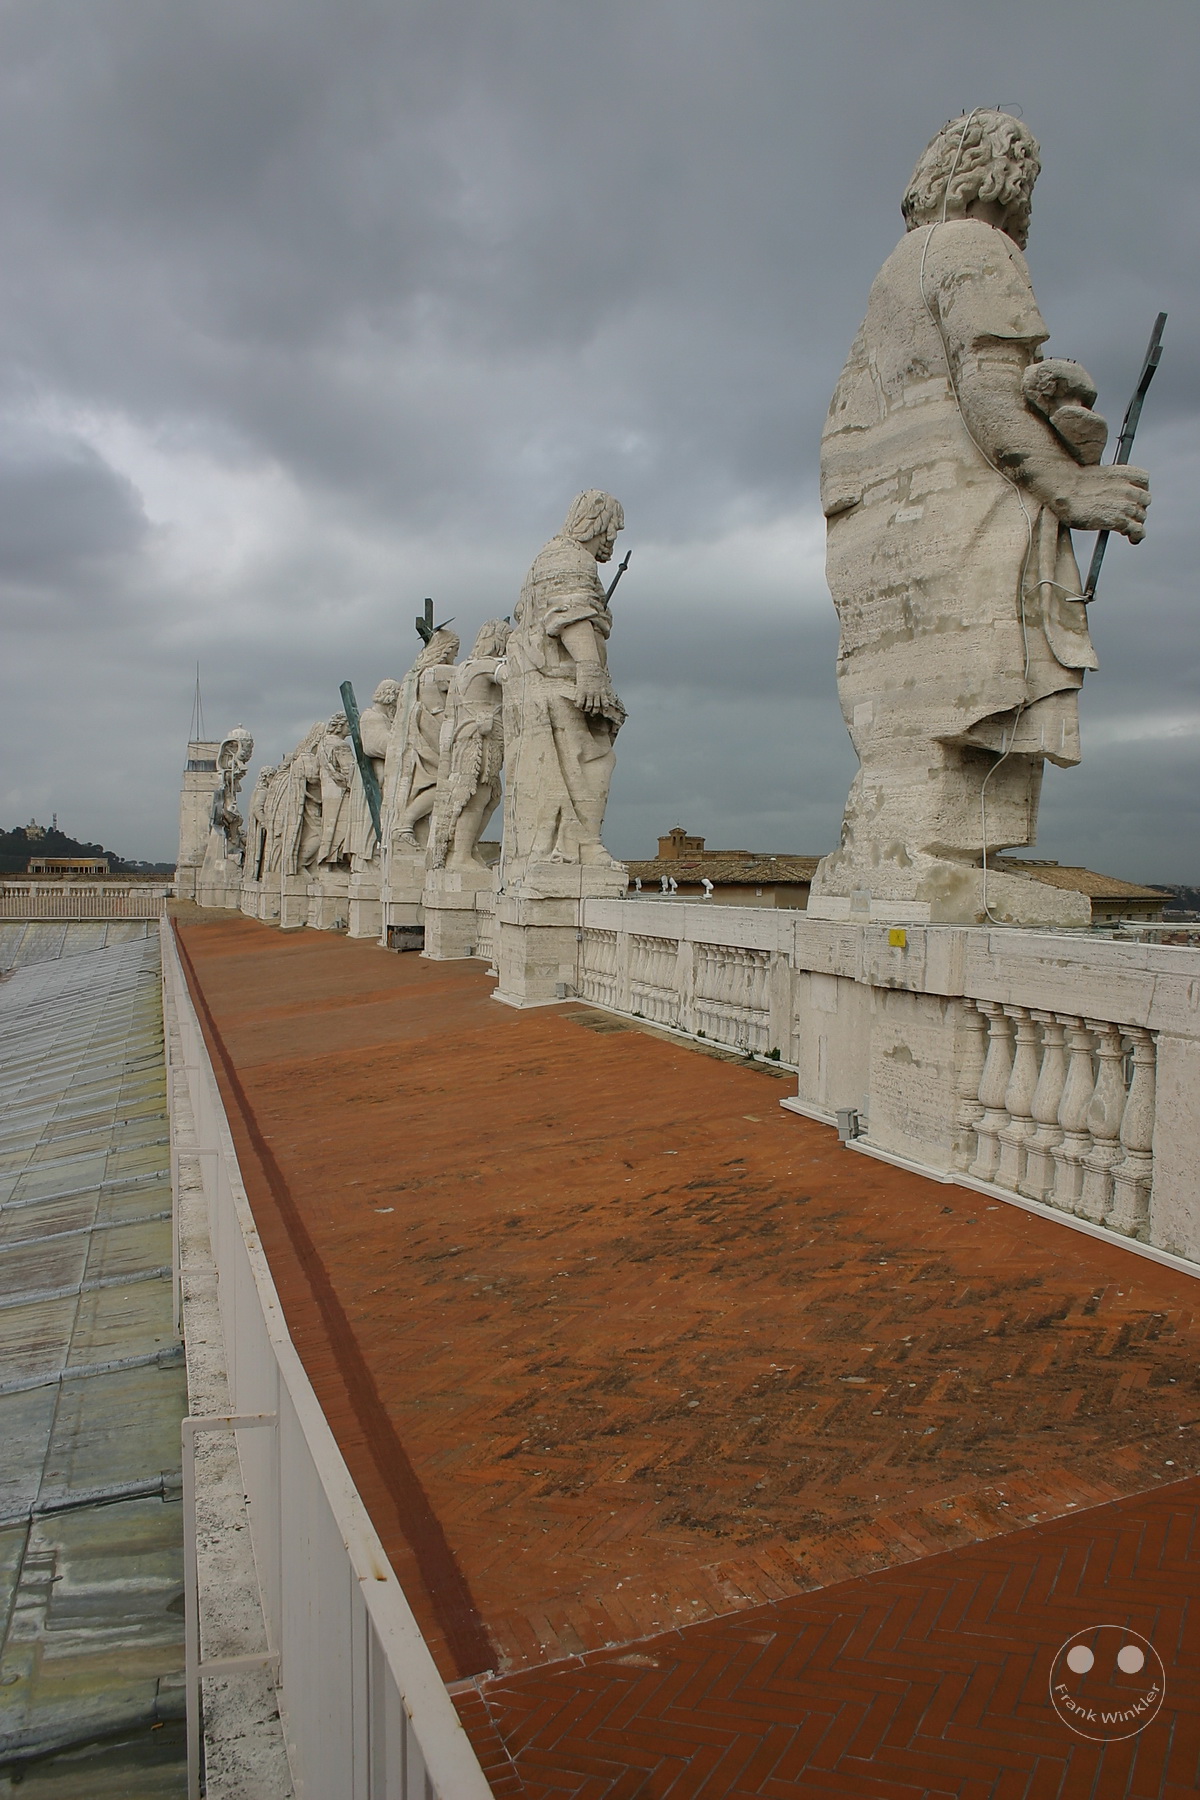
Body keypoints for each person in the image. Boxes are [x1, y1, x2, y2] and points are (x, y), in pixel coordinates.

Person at [812, 110, 1150, 913]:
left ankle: (893, 853)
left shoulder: (893, 275)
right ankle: (927, 860)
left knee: (918, 719)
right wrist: (1074, 488)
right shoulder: (972, 247)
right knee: (973, 690)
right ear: (1003, 177)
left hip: (886, 540)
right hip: (960, 526)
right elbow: (987, 382)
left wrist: (1049, 404)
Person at [502, 490, 626, 869]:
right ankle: (584, 845)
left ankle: (557, 849)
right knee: (595, 759)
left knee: (554, 770)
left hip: (533, 686)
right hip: (562, 682)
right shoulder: (572, 560)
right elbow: (569, 614)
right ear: (598, 523)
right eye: (613, 530)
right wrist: (589, 669)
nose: (613, 540)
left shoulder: (544, 559)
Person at [428, 620, 510, 872]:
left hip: (469, 738)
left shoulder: (463, 668)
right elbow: (512, 678)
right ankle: (460, 855)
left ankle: (467, 848)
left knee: (490, 797)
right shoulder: (484, 666)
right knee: (477, 794)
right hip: (478, 739)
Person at [384, 629, 459, 852]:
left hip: (421, 732)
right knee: (443, 782)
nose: (455, 656)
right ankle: (405, 824)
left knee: (439, 782)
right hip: (433, 730)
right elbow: (466, 674)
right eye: (454, 651)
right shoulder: (436, 672)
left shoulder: (413, 676)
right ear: (445, 649)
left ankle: (406, 824)